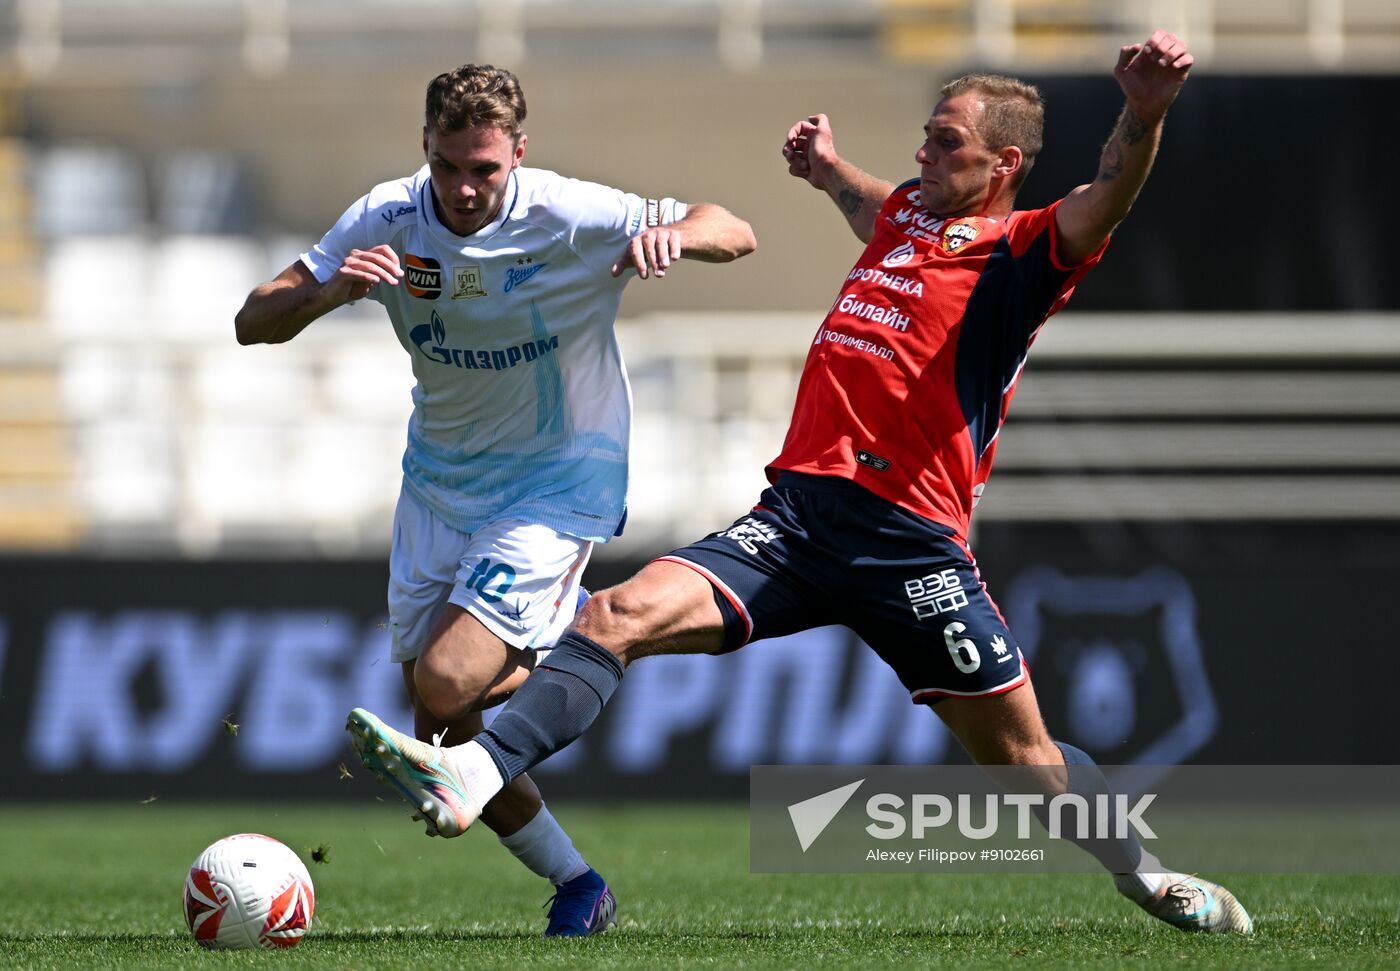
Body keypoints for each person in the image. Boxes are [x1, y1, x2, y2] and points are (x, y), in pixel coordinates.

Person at [346, 33, 1253, 934]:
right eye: (927, 136)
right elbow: (873, 205)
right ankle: (476, 767)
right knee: (612, 618)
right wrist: (825, 170)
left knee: (1028, 762)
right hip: (796, 519)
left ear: (1002, 163)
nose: (922, 154)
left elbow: (1110, 197)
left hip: (910, 543)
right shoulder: (906, 217)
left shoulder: (1023, 255)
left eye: (946, 143)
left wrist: (1144, 112)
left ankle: (1144, 873)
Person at [236, 63, 756, 937]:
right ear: (426, 152)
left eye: (486, 169)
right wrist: (329, 293)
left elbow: (734, 228)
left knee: (447, 674)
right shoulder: (388, 215)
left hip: (560, 474)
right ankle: (579, 882)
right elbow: (253, 319)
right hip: (440, 478)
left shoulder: (568, 210)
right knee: (437, 735)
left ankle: (594, 628)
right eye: (449, 167)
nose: (467, 189)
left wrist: (679, 239)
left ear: (519, 151)